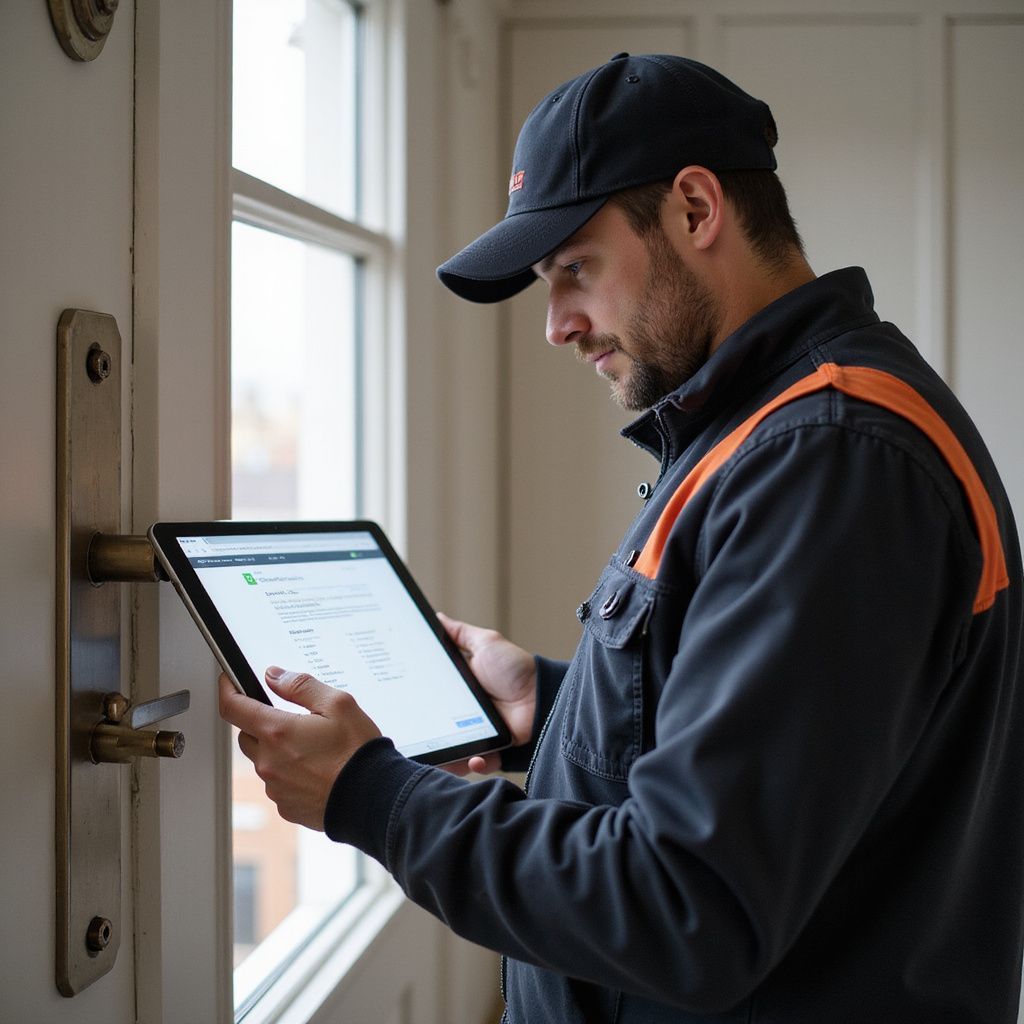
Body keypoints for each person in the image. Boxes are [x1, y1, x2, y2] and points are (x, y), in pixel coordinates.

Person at [219, 53, 1024, 1022]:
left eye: (574, 269)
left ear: (695, 209)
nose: (556, 324)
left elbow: (691, 906)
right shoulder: (772, 431)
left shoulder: (829, 460)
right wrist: (552, 706)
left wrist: (373, 797)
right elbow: (790, 747)